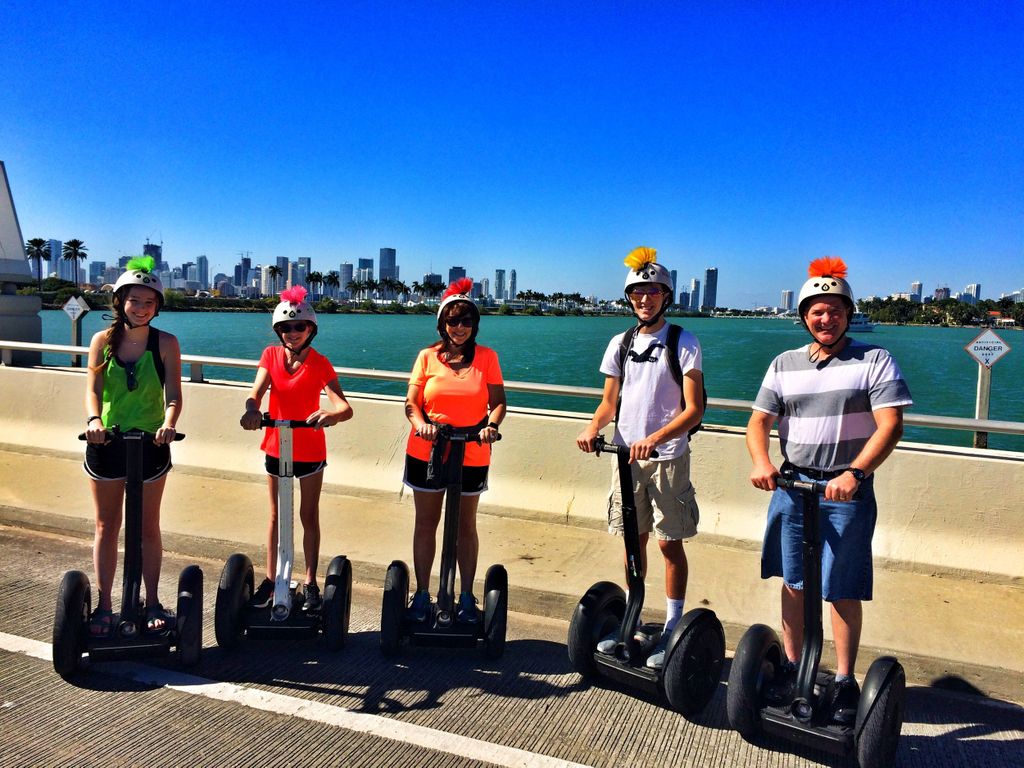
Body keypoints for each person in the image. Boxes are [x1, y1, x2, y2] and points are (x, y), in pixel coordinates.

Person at [746, 256, 912, 725]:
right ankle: (795, 667)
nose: (826, 318)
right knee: (794, 582)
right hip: (792, 484)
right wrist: (762, 463)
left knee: (840, 586)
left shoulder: (874, 359)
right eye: (816, 310)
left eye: (835, 310)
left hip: (845, 491)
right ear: (804, 316)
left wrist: (854, 474)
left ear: (847, 314)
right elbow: (758, 422)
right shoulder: (784, 363)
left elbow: (890, 425)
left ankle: (842, 679)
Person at [576, 247, 704, 669]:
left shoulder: (683, 341)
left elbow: (694, 410)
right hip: (625, 456)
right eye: (637, 293)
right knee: (634, 540)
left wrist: (655, 437)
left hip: (667, 459)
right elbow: (608, 402)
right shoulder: (621, 342)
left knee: (670, 543)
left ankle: (671, 625)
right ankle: (633, 613)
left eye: (652, 292)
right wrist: (594, 428)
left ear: (665, 296)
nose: (643, 300)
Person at [84, 256, 182, 636]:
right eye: (134, 301)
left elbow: (173, 394)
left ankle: (153, 600)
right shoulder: (101, 341)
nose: (141, 309)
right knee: (107, 526)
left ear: (157, 307)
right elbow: (92, 392)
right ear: (120, 302)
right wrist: (94, 422)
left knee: (148, 529)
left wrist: (169, 424)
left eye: (149, 303)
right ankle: (106, 605)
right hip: (107, 441)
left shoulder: (166, 343)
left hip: (152, 444)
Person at [240, 286, 352, 612]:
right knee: (276, 516)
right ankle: (273, 578)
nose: (292, 333)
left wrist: (330, 415)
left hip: (310, 450)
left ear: (310, 329)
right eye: (286, 328)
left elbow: (344, 407)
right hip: (276, 444)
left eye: (299, 326)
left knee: (307, 515)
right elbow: (256, 392)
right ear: (279, 331)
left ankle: (311, 580)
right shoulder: (270, 356)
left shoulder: (320, 363)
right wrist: (251, 410)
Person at [403, 277, 506, 624]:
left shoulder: (487, 357)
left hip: (472, 449)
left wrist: (491, 426)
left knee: (465, 526)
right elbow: (412, 404)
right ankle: (420, 594)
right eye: (453, 320)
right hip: (428, 449)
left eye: (467, 321)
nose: (460, 327)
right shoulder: (427, 357)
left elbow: (498, 402)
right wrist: (420, 424)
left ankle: (465, 597)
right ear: (442, 323)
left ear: (475, 325)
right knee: (426, 524)